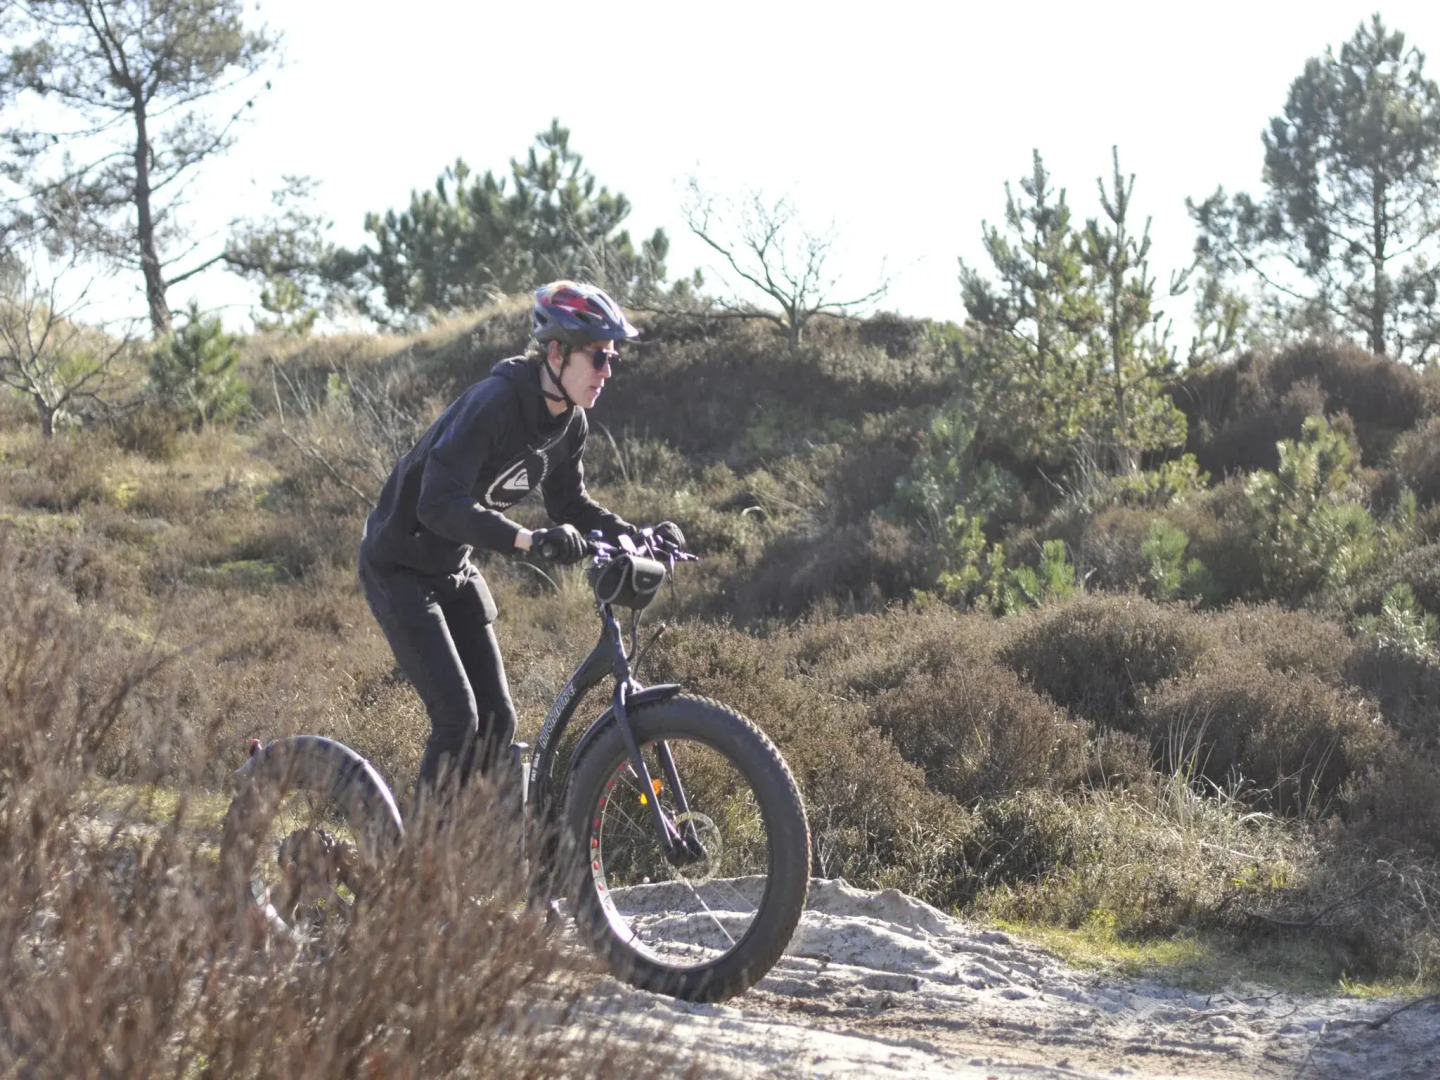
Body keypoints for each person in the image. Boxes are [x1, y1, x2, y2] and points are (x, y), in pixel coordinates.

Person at [357, 280, 681, 804]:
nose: (607, 372)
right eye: (598, 358)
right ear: (555, 352)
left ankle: (473, 850)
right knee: (458, 719)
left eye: (612, 359)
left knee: (498, 721)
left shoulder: (569, 423)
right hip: (398, 566)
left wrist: (634, 535)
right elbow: (436, 504)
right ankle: (411, 867)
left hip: (452, 567)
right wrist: (528, 541)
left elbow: (570, 505)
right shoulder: (495, 404)